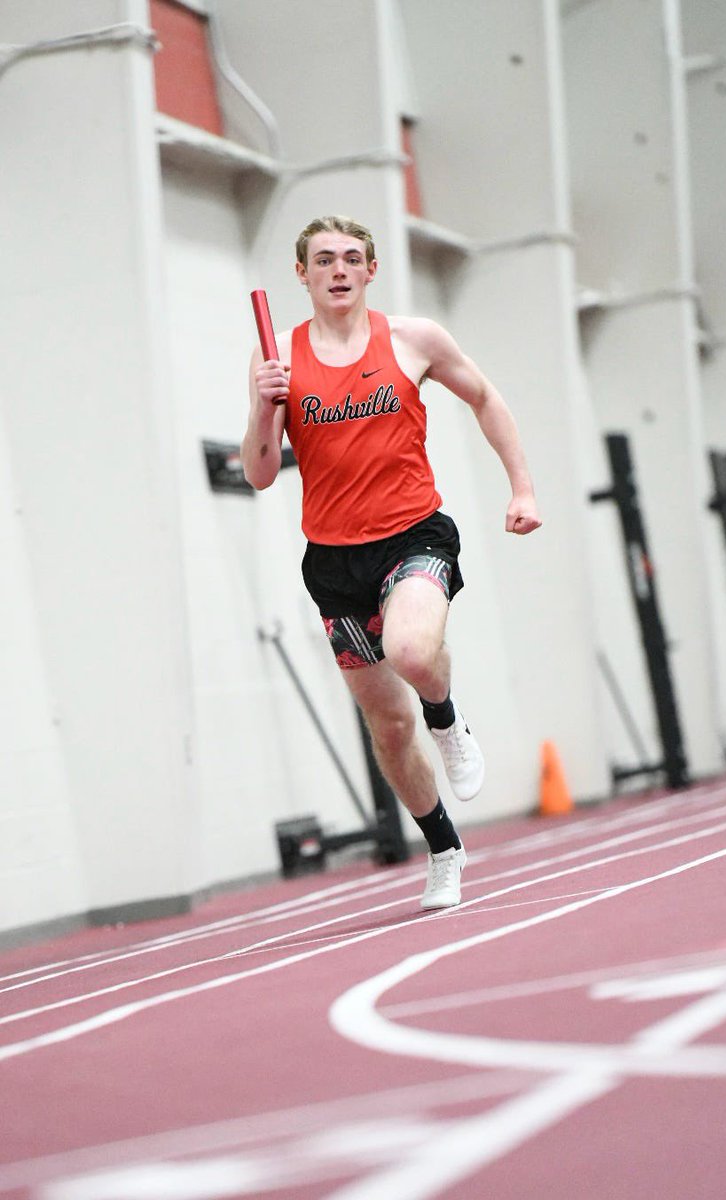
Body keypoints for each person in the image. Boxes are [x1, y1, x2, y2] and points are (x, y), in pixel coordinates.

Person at [242, 215, 541, 910]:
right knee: (387, 726)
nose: (338, 269)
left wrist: (521, 487)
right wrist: (264, 410)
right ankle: (443, 850)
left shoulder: (413, 340)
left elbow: (485, 398)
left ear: (371, 270)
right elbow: (258, 474)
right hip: (334, 563)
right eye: (324, 260)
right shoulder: (277, 357)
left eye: (351, 257)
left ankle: (448, 718)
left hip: (414, 537)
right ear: (303, 274)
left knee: (411, 649)